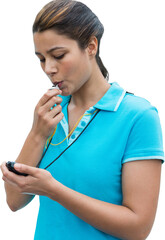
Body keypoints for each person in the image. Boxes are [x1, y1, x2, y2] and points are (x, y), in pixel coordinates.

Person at [1, 0, 164, 239]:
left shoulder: (138, 117)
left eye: (58, 55)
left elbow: (138, 228)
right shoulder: (50, 115)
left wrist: (55, 190)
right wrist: (37, 133)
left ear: (91, 46)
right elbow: (14, 200)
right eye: (41, 58)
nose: (49, 68)